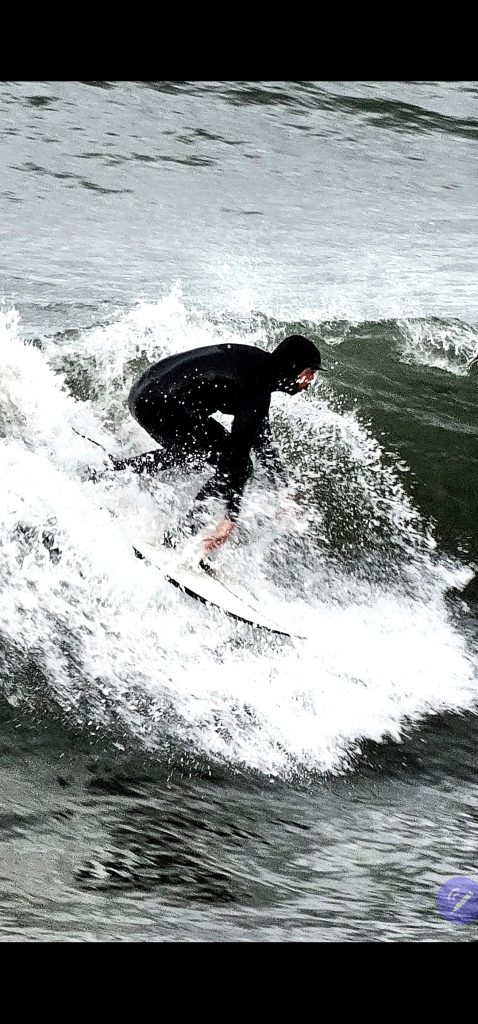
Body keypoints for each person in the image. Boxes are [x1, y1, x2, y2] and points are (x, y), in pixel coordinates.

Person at [111, 335, 326, 551]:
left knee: (195, 453)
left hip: (143, 395)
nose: (309, 382)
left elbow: (262, 439)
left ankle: (118, 471)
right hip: (160, 405)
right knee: (235, 464)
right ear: (294, 367)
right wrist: (229, 517)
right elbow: (238, 455)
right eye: (309, 373)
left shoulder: (256, 366)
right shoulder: (258, 387)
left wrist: (283, 489)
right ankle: (177, 540)